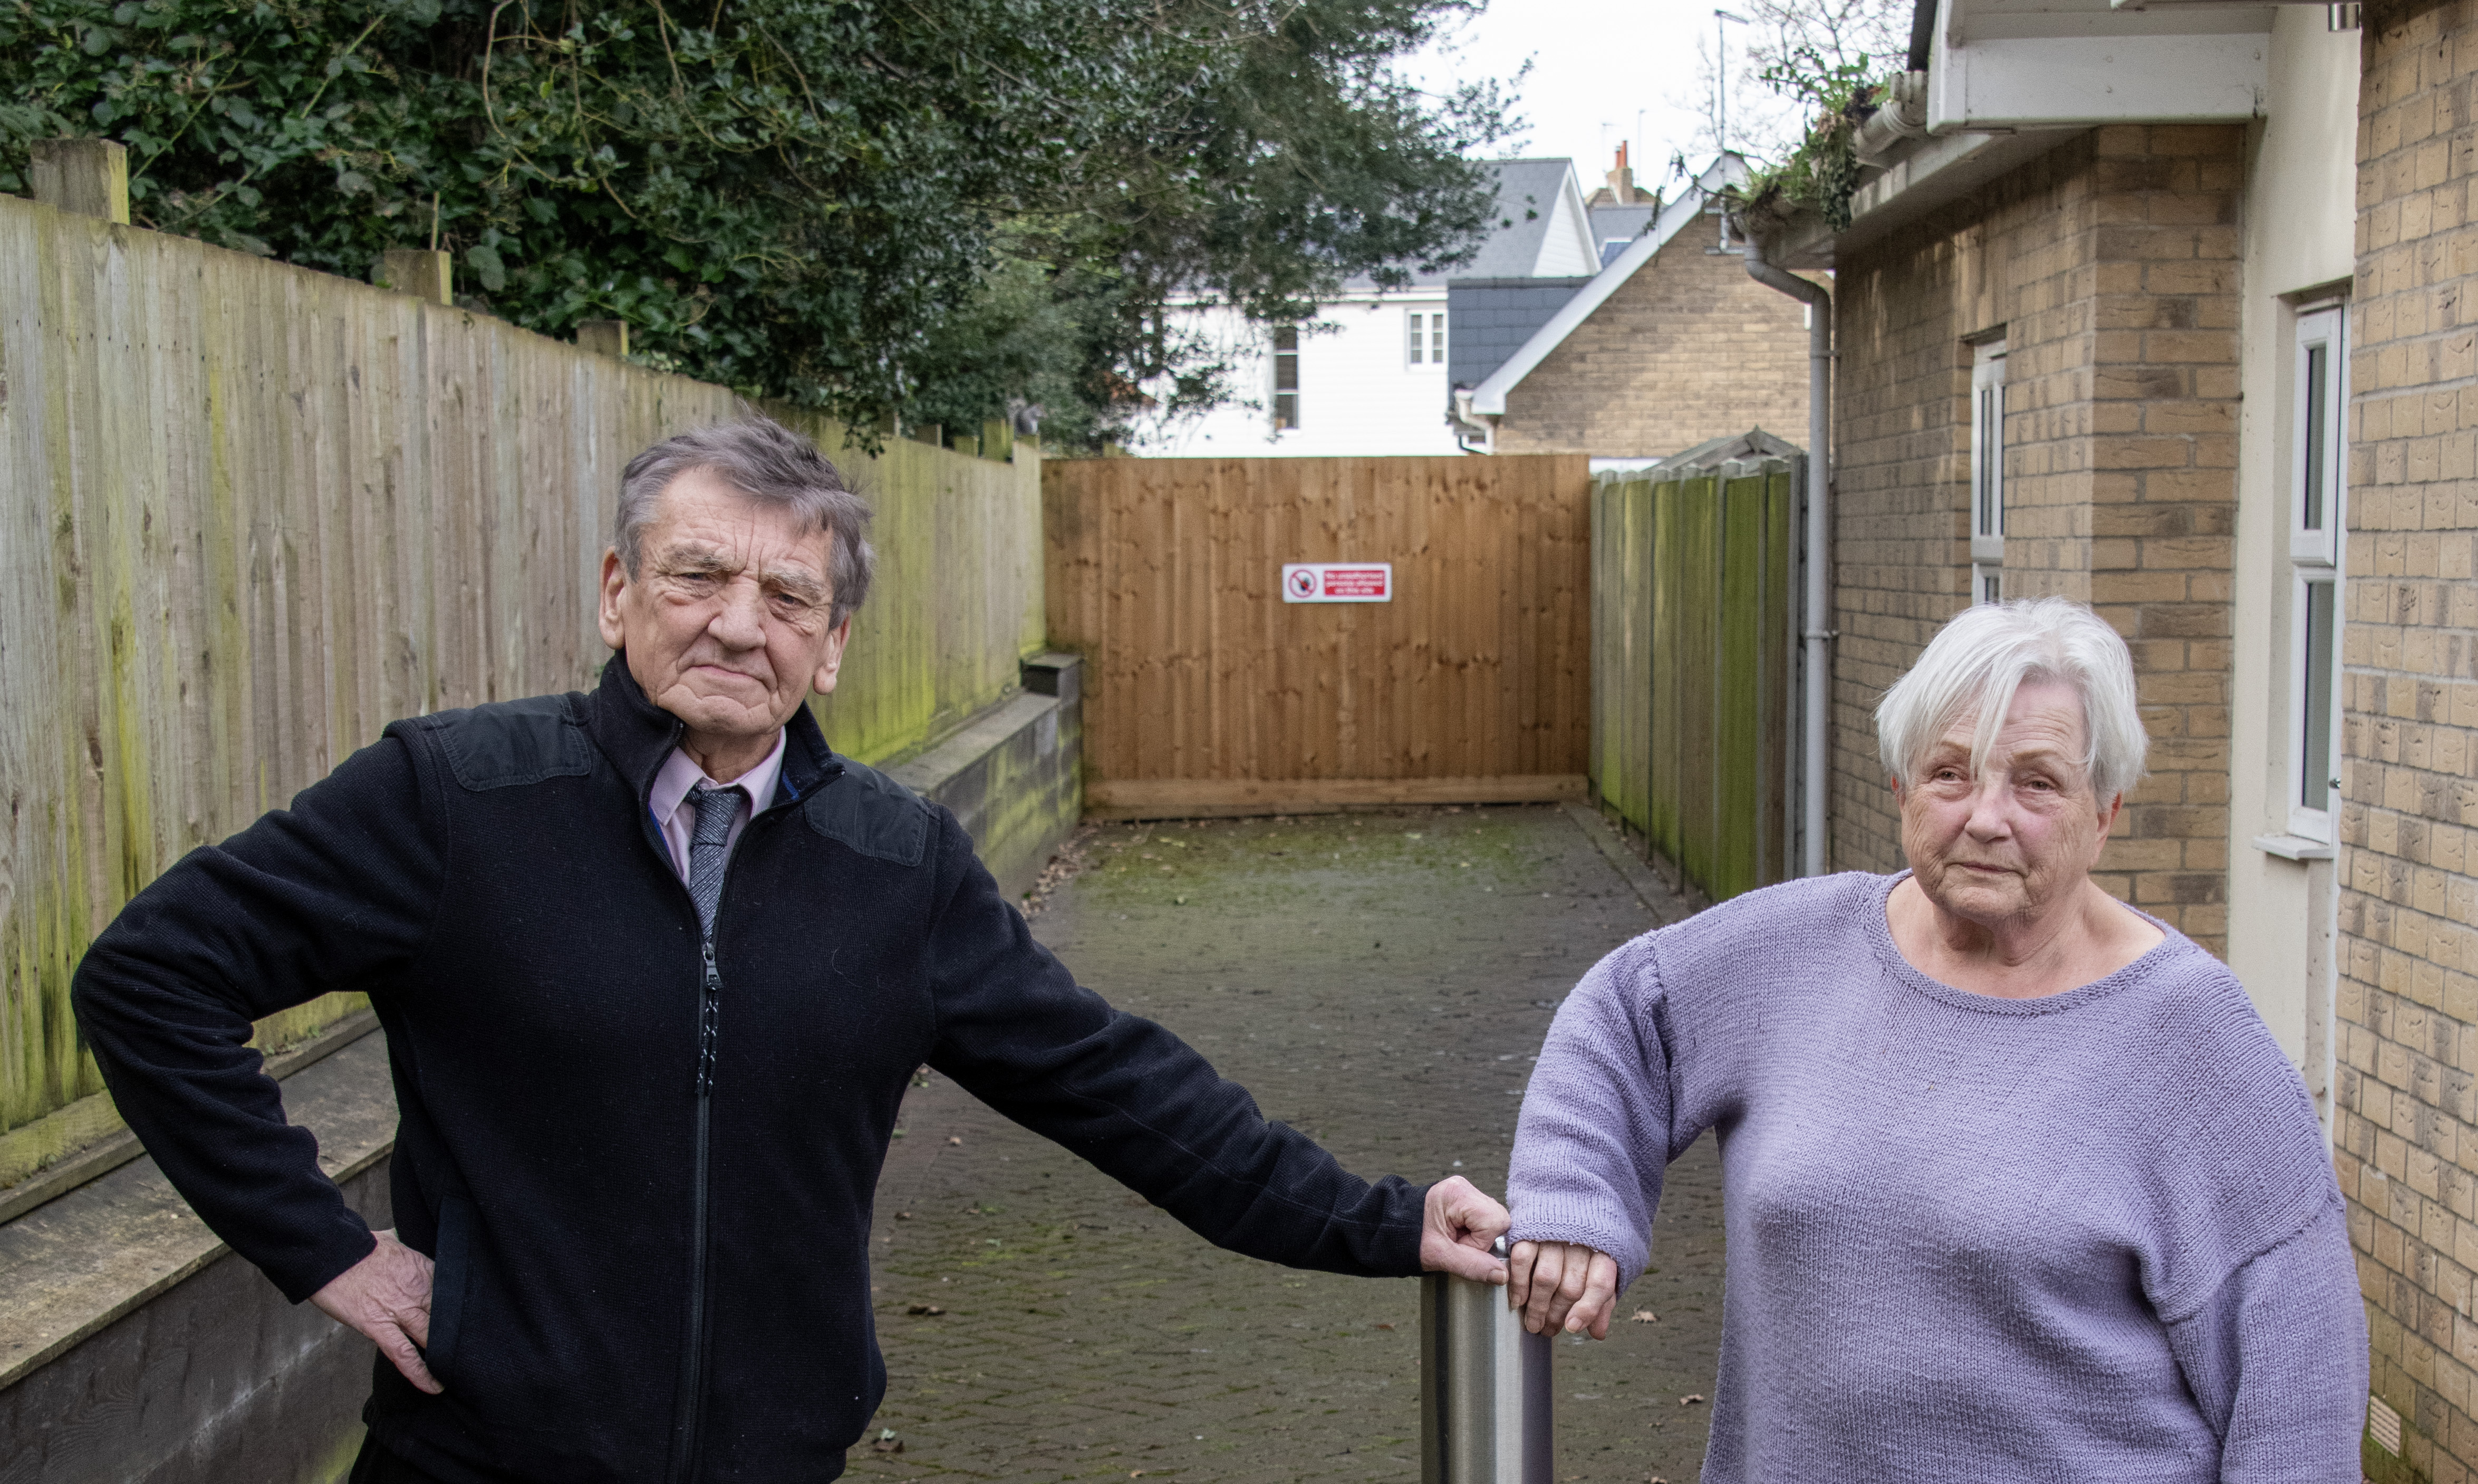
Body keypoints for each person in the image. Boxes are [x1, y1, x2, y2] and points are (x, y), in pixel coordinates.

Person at [72, 416, 1511, 1484]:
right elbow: (151, 978)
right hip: (482, 1464)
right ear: (616, 594)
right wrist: (323, 1249)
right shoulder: (456, 800)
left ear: (830, 649)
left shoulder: (895, 864)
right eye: (696, 576)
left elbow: (1123, 1093)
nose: (735, 626)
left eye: (787, 601)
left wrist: (1383, 1222)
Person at [1501, 597, 2368, 1482]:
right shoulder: (1795, 953)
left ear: (2103, 813)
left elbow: (2299, 1397)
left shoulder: (2194, 1038)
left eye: (2036, 782)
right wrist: (1576, 1203)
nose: (1987, 817)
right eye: (1951, 773)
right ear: (1902, 793)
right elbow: (1625, 1015)